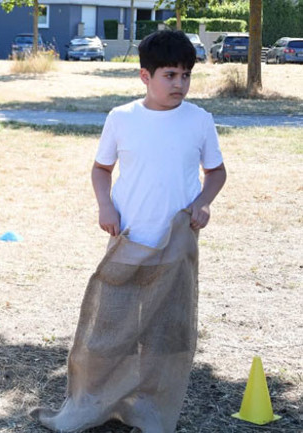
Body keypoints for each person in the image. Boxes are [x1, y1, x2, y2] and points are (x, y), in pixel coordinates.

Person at [32, 30, 226, 432]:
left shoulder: (199, 120)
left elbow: (216, 172)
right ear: (145, 76)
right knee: (110, 327)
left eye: (186, 76)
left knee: (165, 333)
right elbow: (101, 170)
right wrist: (106, 205)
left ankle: (150, 407)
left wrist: (203, 202)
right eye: (170, 75)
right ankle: (95, 401)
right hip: (129, 237)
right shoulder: (121, 118)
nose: (179, 84)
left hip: (177, 243)